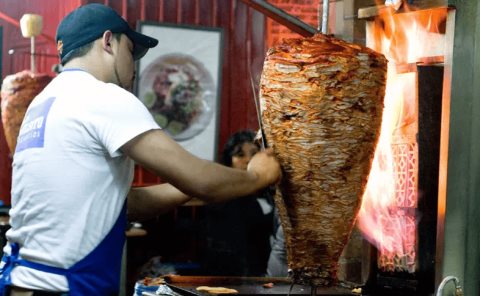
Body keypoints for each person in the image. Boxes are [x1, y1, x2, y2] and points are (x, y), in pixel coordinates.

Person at [0, 4, 281, 296]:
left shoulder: (44, 103)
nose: (134, 66)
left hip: (18, 283)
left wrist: (188, 184)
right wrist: (257, 176)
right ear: (108, 42)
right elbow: (204, 183)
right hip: (64, 288)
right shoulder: (102, 96)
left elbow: (120, 203)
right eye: (131, 51)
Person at [202, 130, 274, 276]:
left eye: (254, 154)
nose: (248, 160)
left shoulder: (269, 194)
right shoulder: (223, 200)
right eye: (240, 155)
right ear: (229, 160)